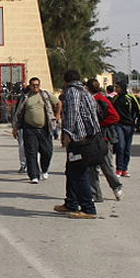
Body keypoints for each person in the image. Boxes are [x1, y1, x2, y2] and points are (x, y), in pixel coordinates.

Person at [53, 70, 101, 219]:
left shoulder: (72, 92)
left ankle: (88, 208)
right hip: (89, 137)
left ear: (66, 80)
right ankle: (71, 202)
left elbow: (72, 114)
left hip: (79, 139)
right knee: (71, 170)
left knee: (78, 173)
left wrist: (65, 133)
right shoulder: (86, 92)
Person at [11, 77, 59, 184]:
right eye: (33, 85)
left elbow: (58, 103)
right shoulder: (25, 97)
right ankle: (33, 175)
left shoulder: (45, 95)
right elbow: (18, 113)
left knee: (47, 151)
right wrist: (15, 128)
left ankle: (45, 169)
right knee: (31, 152)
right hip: (29, 128)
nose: (35, 87)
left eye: (37, 85)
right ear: (30, 85)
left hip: (44, 128)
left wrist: (57, 115)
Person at [87, 78, 124, 202]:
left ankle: (116, 186)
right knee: (91, 167)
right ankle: (95, 194)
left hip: (103, 138)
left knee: (105, 165)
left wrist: (100, 124)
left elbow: (115, 117)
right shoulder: (96, 99)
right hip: (94, 137)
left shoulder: (100, 99)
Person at [111, 84, 140, 177]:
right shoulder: (115, 99)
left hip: (129, 126)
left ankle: (124, 169)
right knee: (120, 147)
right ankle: (119, 169)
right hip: (118, 125)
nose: (116, 89)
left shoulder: (131, 98)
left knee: (127, 149)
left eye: (118, 87)